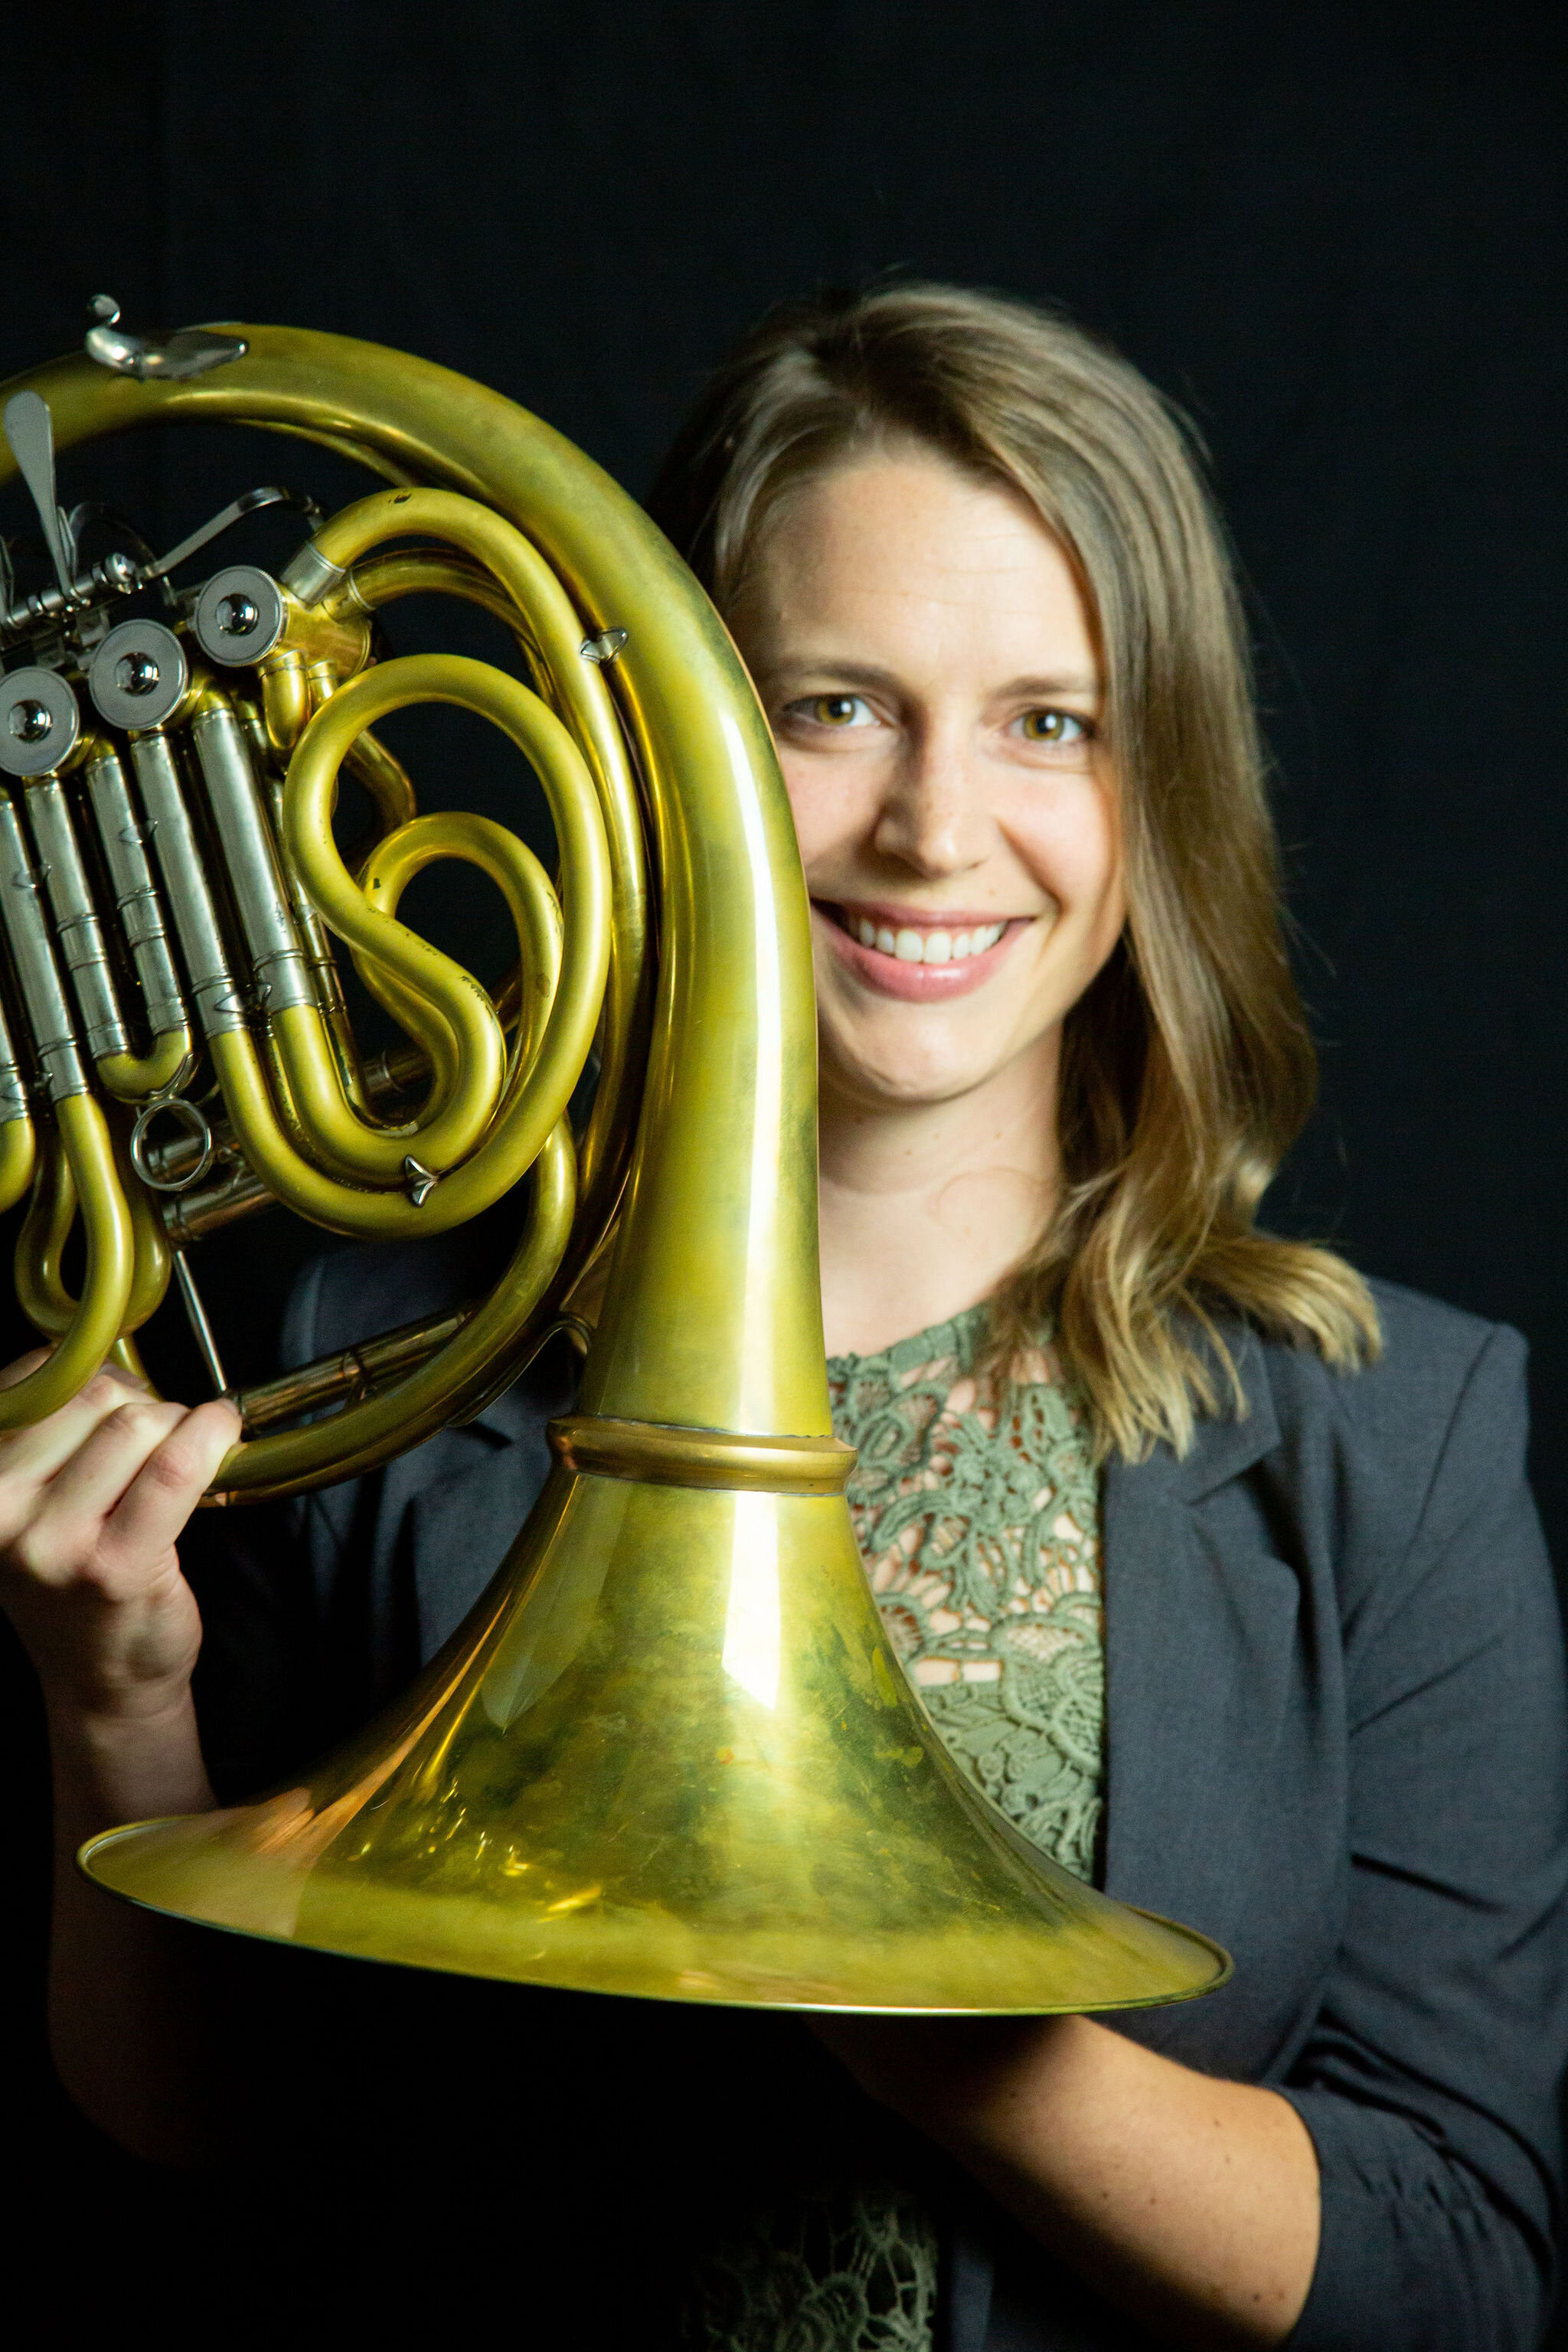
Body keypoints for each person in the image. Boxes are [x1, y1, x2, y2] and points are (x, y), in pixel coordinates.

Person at [1, 282, 1563, 2352]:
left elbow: (1454, 2275)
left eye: (1051, 720)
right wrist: (112, 1694)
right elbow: (214, 2139)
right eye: (834, 706)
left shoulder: (1400, 1438)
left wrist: (906, 1989)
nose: (934, 826)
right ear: (667, 742)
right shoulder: (359, 1356)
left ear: (1157, 787)